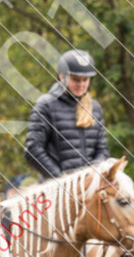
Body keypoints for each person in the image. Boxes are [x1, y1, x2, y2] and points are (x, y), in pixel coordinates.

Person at [24, 50, 108, 180]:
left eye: (85, 80)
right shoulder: (46, 105)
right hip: (56, 184)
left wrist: (95, 170)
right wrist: (60, 178)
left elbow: (102, 150)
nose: (81, 85)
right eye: (75, 79)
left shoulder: (95, 108)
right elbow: (33, 150)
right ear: (62, 77)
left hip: (89, 184)